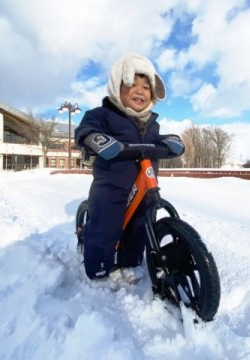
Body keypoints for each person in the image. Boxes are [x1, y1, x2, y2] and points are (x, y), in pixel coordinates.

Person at [74, 53, 185, 284]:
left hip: (144, 184)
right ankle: (99, 267)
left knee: (141, 226)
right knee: (104, 224)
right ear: (117, 88)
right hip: (112, 184)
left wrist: (170, 141)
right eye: (132, 84)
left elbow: (157, 139)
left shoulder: (151, 123)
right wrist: (95, 138)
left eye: (146, 87)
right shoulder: (103, 115)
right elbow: (86, 129)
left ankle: (131, 261)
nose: (140, 90)